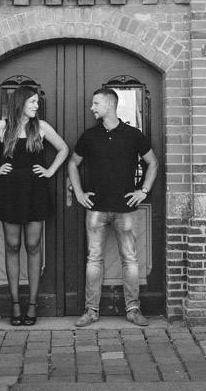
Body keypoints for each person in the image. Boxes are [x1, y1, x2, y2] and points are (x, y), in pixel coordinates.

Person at [67, 87, 159, 327]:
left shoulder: (133, 134)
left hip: (126, 209)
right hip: (96, 209)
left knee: (129, 259)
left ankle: (133, 309)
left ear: (109, 104)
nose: (92, 108)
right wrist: (78, 192)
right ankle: (91, 311)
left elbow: (153, 163)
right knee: (94, 259)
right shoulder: (89, 136)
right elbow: (72, 164)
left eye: (95, 103)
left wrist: (144, 191)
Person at [0, 86, 68, 326]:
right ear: (20, 103)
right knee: (12, 245)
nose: (36, 106)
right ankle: (15, 304)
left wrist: (49, 171)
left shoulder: (40, 127)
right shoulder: (1, 127)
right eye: (32, 102)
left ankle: (32, 304)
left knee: (33, 246)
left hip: (35, 191)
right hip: (9, 191)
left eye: (37, 102)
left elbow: (63, 149)